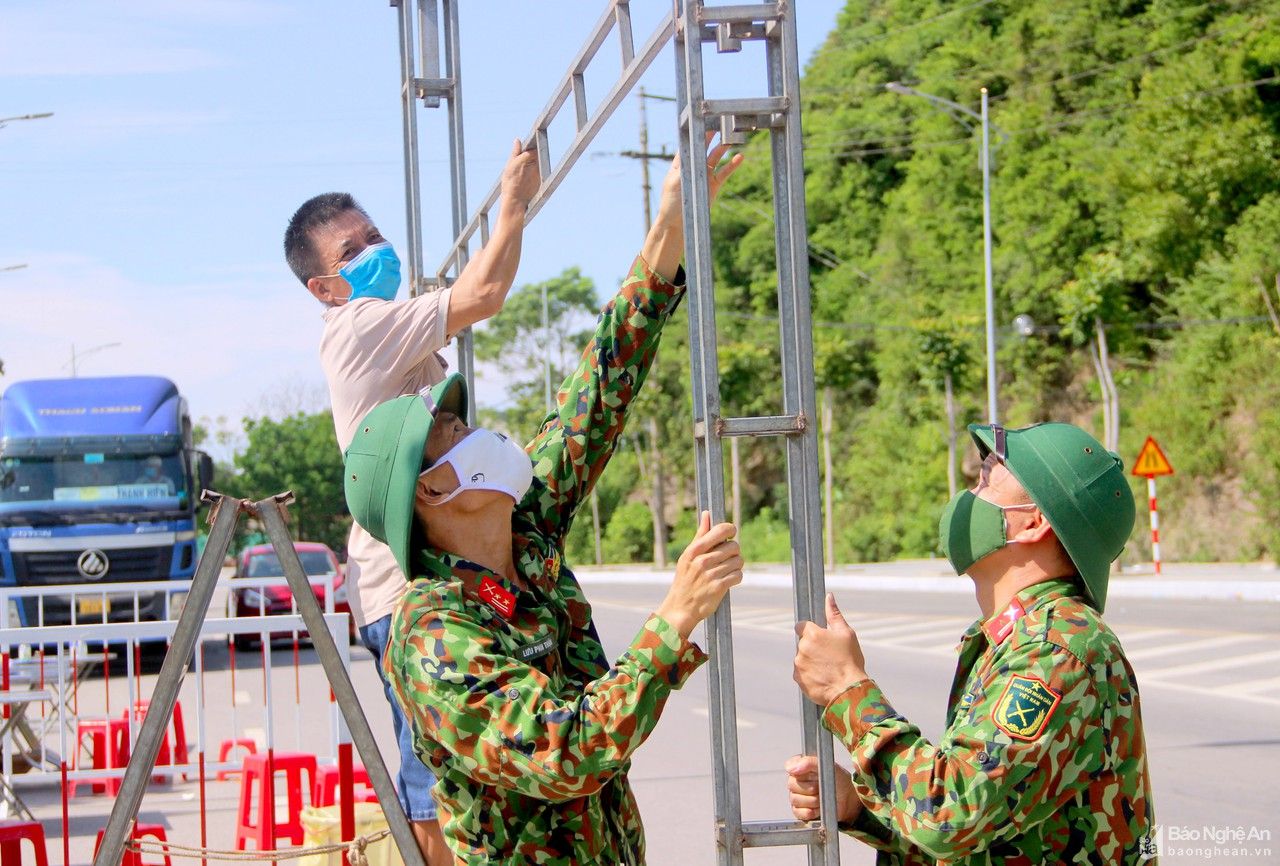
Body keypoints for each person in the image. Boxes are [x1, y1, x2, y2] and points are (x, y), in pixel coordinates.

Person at [342, 140, 744, 864]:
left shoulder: (525, 534)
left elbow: (599, 392)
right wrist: (677, 614)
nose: (480, 433)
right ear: (432, 490)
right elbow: (566, 753)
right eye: (454, 431)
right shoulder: (434, 635)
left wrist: (669, 233)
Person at [283, 139, 539, 864]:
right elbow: (485, 294)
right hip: (400, 589)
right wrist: (514, 200)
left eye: (375, 235)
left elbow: (481, 293)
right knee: (432, 776)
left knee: (456, 766)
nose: (374, 251)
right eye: (352, 249)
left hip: (414, 577)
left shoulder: (390, 329)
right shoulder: (358, 327)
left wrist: (512, 215)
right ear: (325, 287)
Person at [787, 422, 1156, 865]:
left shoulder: (1054, 649)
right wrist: (859, 808)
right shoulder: (1018, 637)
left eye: (986, 480)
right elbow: (983, 836)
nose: (969, 495)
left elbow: (950, 815)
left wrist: (848, 690)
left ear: (1033, 522)